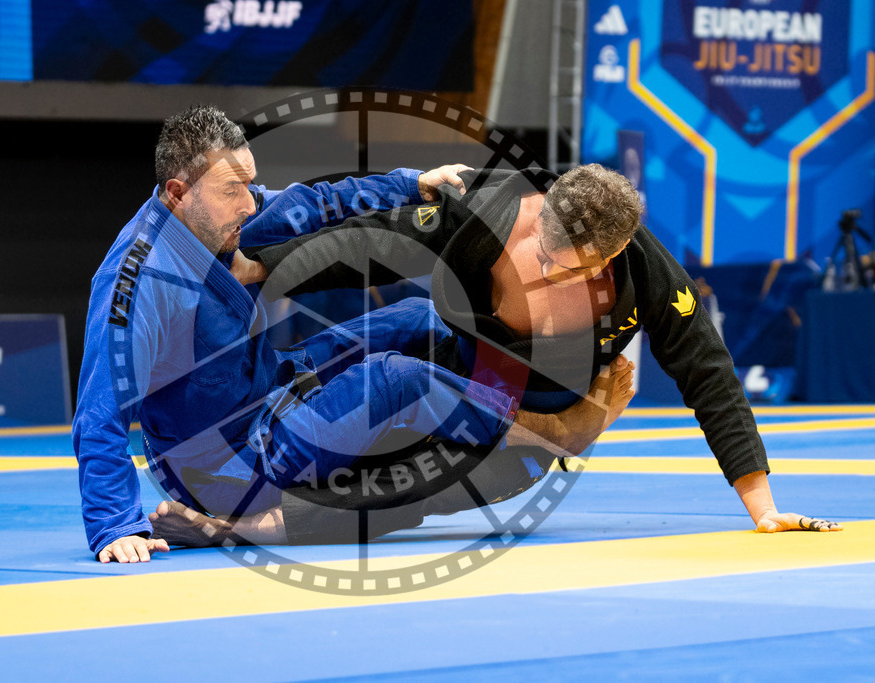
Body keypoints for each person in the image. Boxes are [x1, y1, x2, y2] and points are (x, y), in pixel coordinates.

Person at [155, 163, 839, 545]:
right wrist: (256, 265)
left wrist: (762, 505)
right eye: (542, 249)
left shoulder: (648, 275)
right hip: (463, 354)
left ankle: (258, 523)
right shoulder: (490, 216)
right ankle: (257, 419)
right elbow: (366, 245)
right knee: (398, 321)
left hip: (524, 434)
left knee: (420, 477)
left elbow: (708, 373)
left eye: (563, 267)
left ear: (607, 258)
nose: (542, 268)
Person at [73, 107, 633, 563]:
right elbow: (99, 411)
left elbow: (314, 204)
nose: (249, 202)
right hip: (225, 467)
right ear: (177, 192)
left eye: (249, 182)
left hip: (268, 394)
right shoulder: (139, 283)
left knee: (418, 315)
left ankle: (484, 407)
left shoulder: (221, 215)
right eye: (232, 190)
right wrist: (114, 526)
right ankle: (547, 432)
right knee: (394, 380)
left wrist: (411, 184)